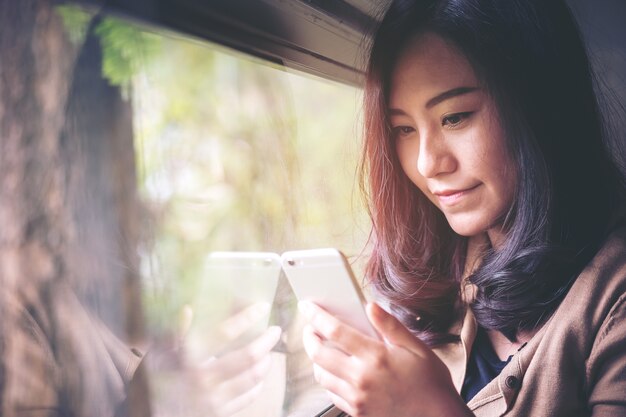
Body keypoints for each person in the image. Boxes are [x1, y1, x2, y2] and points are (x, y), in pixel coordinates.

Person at [297, 0, 626, 416]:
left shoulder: (612, 303)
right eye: (403, 129)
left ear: (541, 105)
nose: (427, 163)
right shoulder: (444, 265)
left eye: (454, 117)